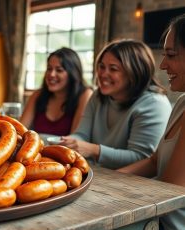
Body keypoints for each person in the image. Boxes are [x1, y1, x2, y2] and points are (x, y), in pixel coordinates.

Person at [118, 14, 185, 230]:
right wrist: (110, 181)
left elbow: (168, 192)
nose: (162, 64)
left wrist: (115, 194)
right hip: (158, 223)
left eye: (171, 55)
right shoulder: (181, 103)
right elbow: (154, 161)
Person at [60, 39, 172, 169]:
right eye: (101, 66)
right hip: (100, 174)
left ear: (134, 72)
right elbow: (82, 135)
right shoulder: (97, 96)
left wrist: (95, 150)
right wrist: (67, 142)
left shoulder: (154, 104)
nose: (103, 74)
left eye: (113, 69)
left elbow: (142, 158)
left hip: (135, 183)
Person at [20, 47, 93, 136]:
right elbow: (20, 131)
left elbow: (75, 139)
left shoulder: (85, 95)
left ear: (72, 73)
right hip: (38, 149)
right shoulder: (37, 95)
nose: (52, 74)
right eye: (49, 69)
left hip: (68, 150)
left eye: (59, 70)